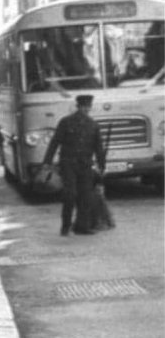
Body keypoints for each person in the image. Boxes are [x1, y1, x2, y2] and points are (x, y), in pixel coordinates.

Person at [41, 94, 106, 236]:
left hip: (85, 164)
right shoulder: (66, 122)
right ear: (79, 107)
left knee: (85, 196)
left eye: (87, 107)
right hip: (68, 163)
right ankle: (66, 226)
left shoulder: (93, 125)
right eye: (83, 107)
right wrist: (47, 162)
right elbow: (55, 142)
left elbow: (98, 148)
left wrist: (102, 166)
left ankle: (82, 226)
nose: (85, 110)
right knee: (70, 195)